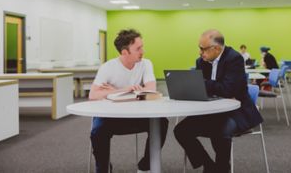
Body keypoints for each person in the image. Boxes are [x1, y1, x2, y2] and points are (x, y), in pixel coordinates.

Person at [174, 29, 263, 173]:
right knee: (181, 130)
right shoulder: (201, 61)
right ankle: (209, 165)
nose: (199, 52)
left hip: (237, 111)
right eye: (199, 48)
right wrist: (207, 86)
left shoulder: (234, 58)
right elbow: (201, 88)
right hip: (211, 109)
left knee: (220, 129)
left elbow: (228, 90)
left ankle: (222, 168)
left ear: (216, 48)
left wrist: (205, 83)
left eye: (202, 49)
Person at [89, 29, 169, 173]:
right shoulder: (107, 67)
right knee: (97, 131)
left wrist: (110, 91)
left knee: (162, 122)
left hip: (138, 115)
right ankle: (103, 168)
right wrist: (124, 90)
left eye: (142, 46)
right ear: (125, 52)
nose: (142, 51)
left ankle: (145, 166)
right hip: (111, 117)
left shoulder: (145, 64)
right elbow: (93, 94)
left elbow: (151, 90)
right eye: (138, 48)